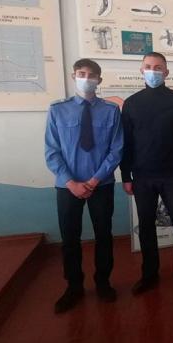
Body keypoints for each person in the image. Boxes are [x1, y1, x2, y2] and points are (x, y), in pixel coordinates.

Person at [45, 58, 123, 313]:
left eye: (91, 75)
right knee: (70, 238)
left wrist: (94, 180)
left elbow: (116, 149)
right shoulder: (58, 110)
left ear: (99, 80)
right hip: (67, 187)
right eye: (81, 73)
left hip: (101, 184)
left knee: (104, 236)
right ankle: (74, 287)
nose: (86, 79)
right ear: (73, 76)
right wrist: (71, 182)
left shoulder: (111, 111)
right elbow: (52, 152)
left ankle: (103, 283)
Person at [120, 52, 173, 295]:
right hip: (142, 177)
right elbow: (126, 143)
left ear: (166, 72)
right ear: (141, 70)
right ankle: (149, 274)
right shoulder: (131, 104)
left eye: (158, 67)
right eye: (149, 66)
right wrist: (126, 175)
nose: (153, 71)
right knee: (146, 227)